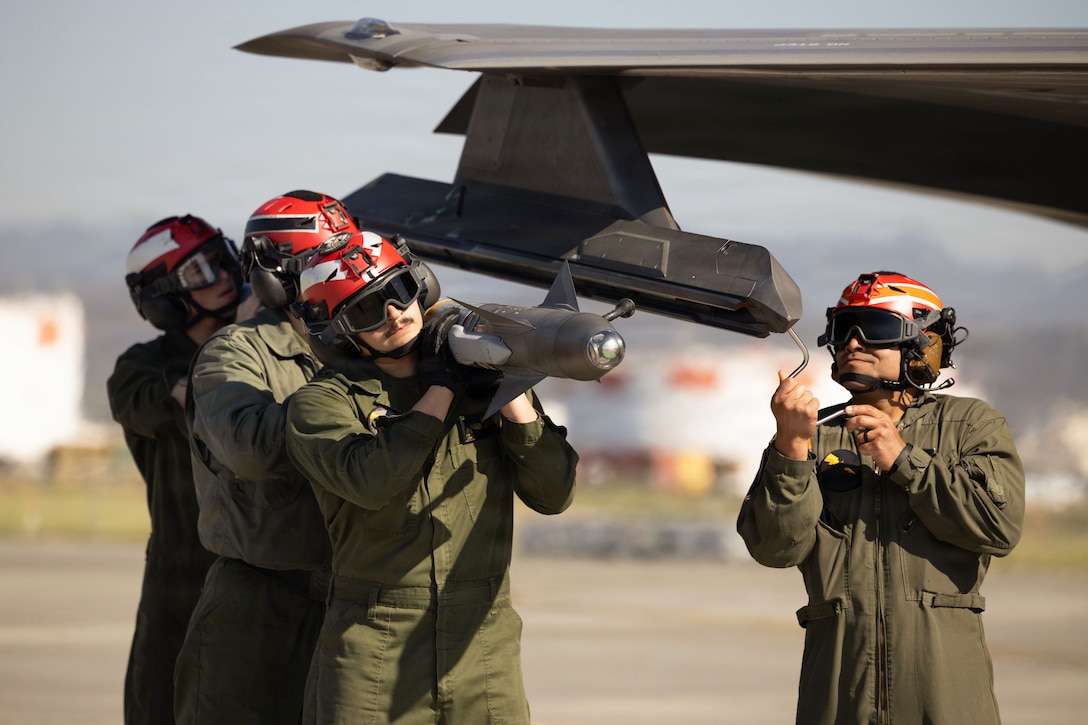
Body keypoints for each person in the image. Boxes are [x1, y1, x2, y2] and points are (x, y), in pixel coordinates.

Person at [284, 231, 579, 724]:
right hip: (376, 641)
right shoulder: (322, 404)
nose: (394, 315)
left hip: (483, 643)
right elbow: (374, 480)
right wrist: (444, 385)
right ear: (340, 330)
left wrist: (511, 389)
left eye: (397, 293)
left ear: (418, 285)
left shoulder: (482, 387)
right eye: (366, 311)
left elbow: (554, 495)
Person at [737, 271, 1026, 724]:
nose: (854, 342)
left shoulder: (970, 424)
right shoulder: (811, 437)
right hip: (838, 698)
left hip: (945, 696)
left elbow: (998, 528)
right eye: (843, 329)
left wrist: (904, 460)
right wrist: (791, 449)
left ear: (922, 345)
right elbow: (775, 548)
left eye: (876, 330)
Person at [173, 190, 355, 724]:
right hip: (259, 601)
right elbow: (253, 449)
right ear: (277, 279)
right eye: (329, 262)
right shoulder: (235, 353)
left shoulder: (370, 344)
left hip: (350, 598)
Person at [108, 213, 254, 725]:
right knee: (161, 706)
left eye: (222, 260)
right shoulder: (141, 368)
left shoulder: (267, 347)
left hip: (266, 574)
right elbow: (160, 401)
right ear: (165, 295)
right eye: (200, 272)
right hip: (180, 576)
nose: (223, 277)